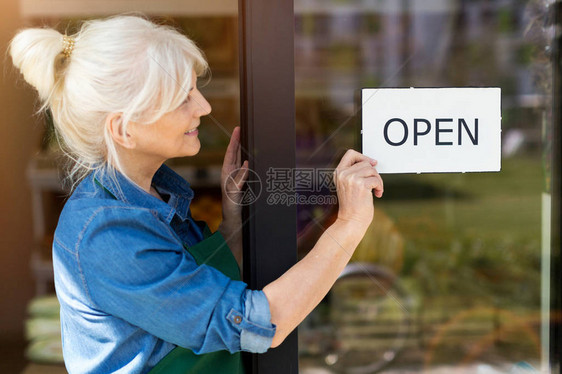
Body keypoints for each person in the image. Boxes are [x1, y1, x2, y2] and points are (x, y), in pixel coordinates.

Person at [9, 14, 384, 374]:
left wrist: (233, 218)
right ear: (124, 129)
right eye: (182, 98)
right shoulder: (109, 235)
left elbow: (201, 295)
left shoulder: (152, 195)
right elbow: (259, 325)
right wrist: (349, 225)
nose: (203, 108)